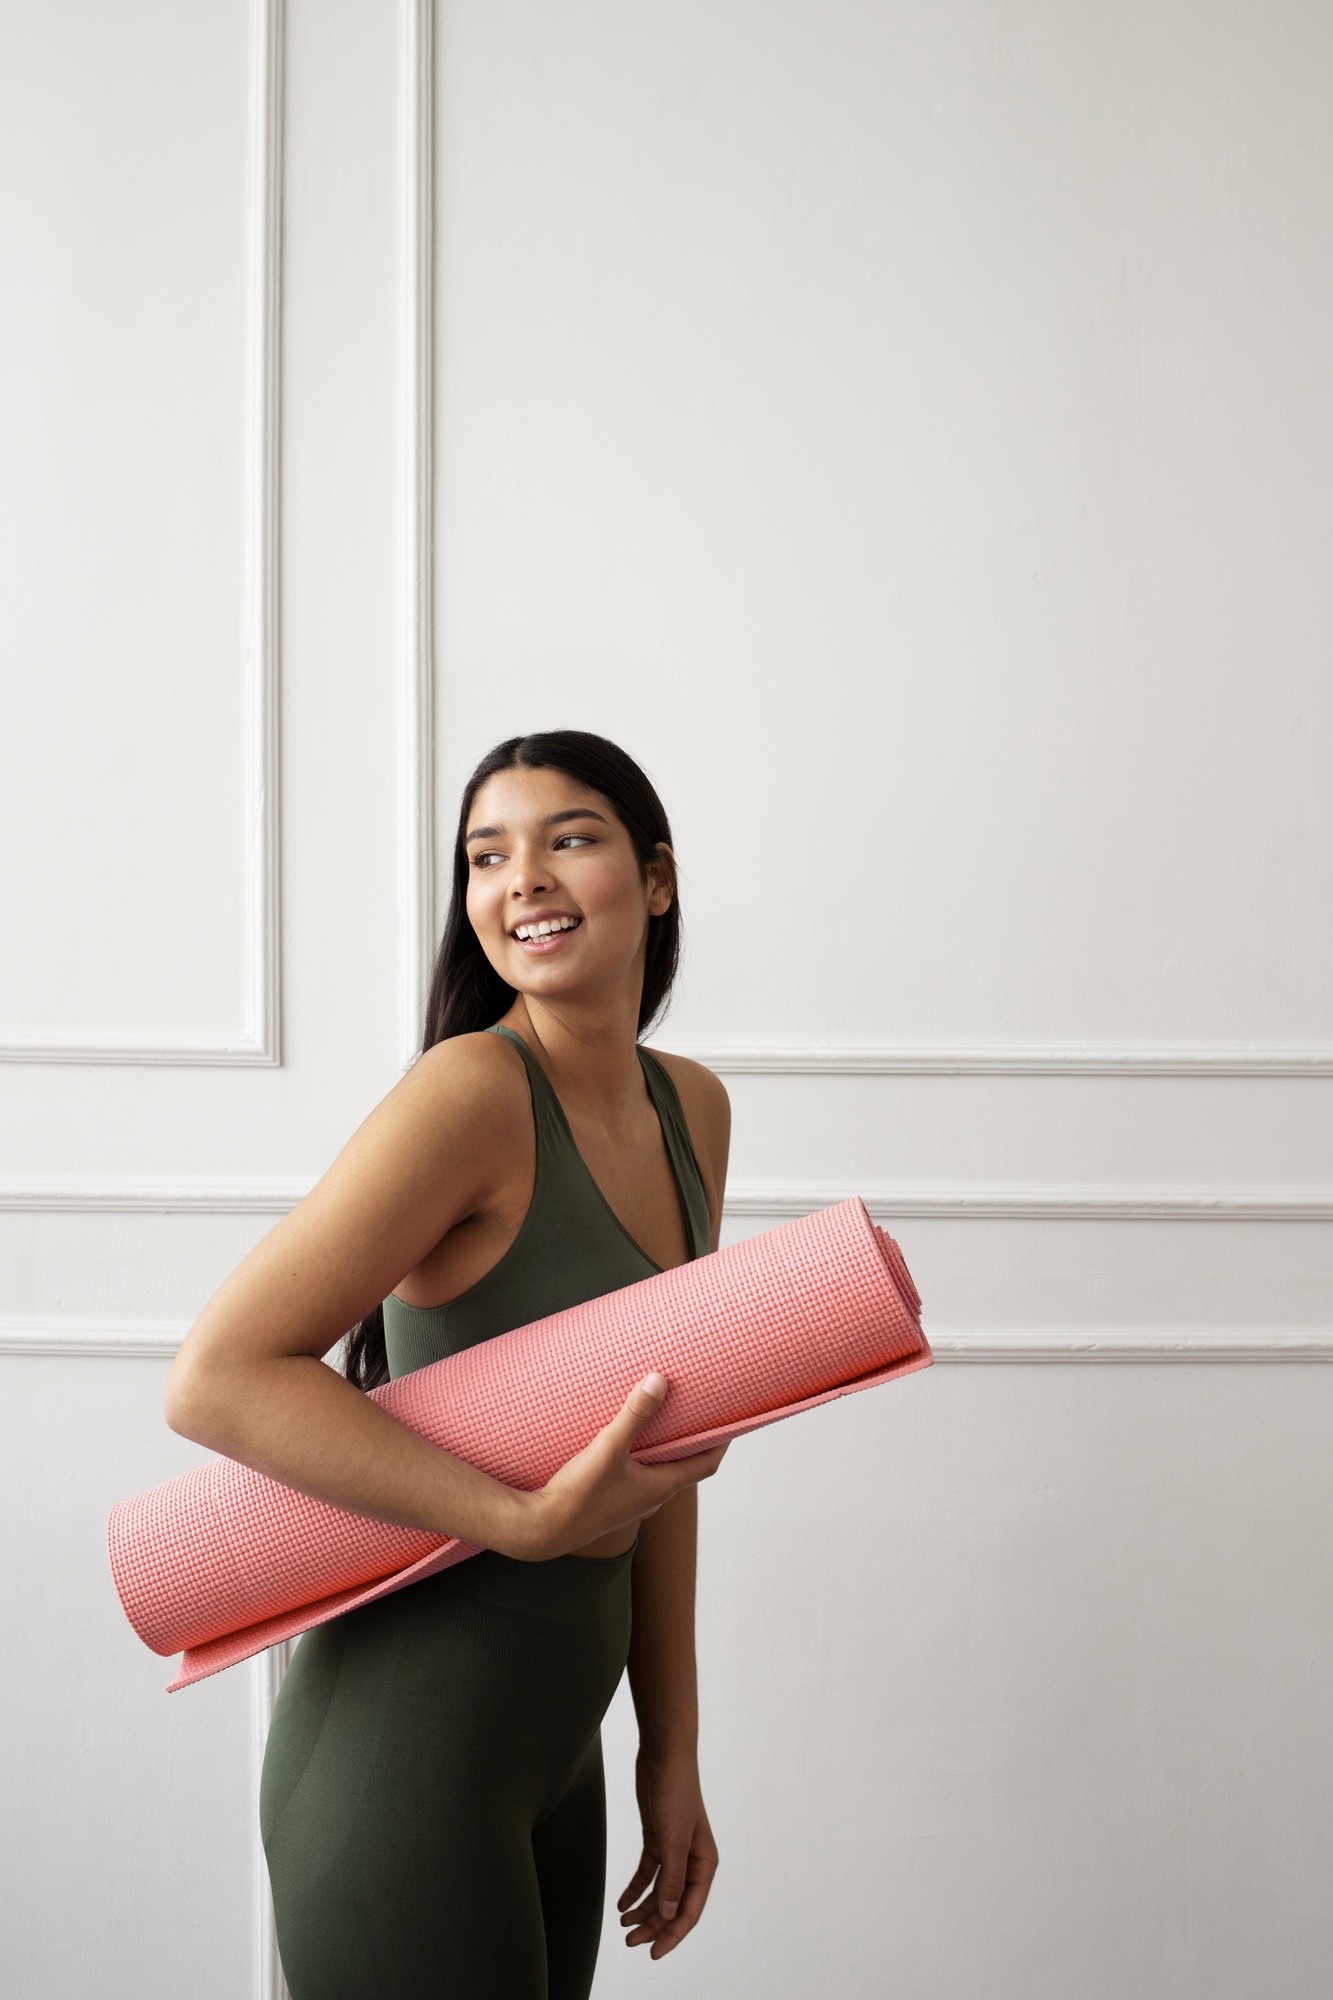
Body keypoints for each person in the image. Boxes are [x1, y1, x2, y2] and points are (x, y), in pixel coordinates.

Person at [164, 729, 733, 1998]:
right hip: (401, 1751)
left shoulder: (691, 1107)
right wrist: (519, 1518)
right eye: (486, 854)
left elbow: (665, 1460)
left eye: (567, 838)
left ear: (655, 879)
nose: (521, 877)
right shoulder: (471, 1091)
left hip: (558, 1753)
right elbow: (217, 1374)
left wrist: (670, 1749)